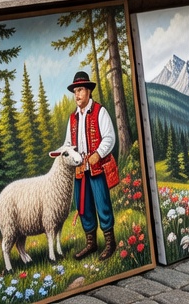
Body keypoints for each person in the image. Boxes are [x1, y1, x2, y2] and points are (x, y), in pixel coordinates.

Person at [61, 70, 117, 260]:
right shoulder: (72, 118)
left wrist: (98, 154)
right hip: (79, 169)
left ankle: (110, 242)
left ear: (89, 92)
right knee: (83, 206)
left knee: (102, 204)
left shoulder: (100, 112)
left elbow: (110, 137)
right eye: (75, 91)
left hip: (96, 168)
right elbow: (69, 143)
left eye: (81, 90)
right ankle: (91, 243)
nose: (77, 94)